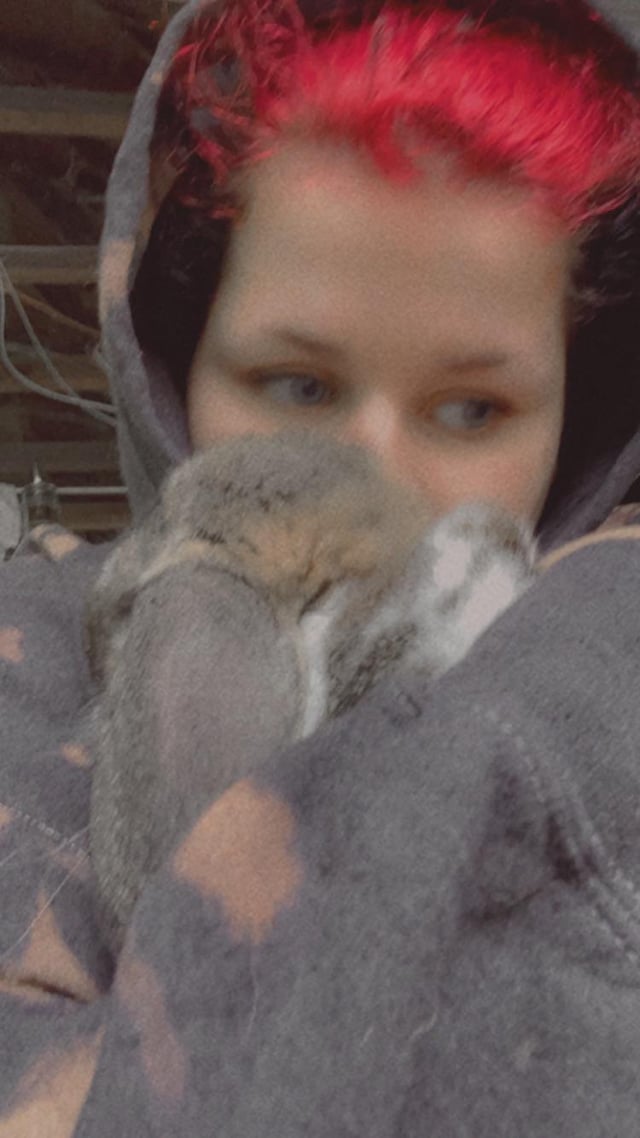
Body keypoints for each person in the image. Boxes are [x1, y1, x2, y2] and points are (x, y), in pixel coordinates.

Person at [1, 0, 640, 1132]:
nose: (371, 477)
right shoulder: (29, 665)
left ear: (574, 419)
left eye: (470, 408)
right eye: (297, 386)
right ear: (180, 363)